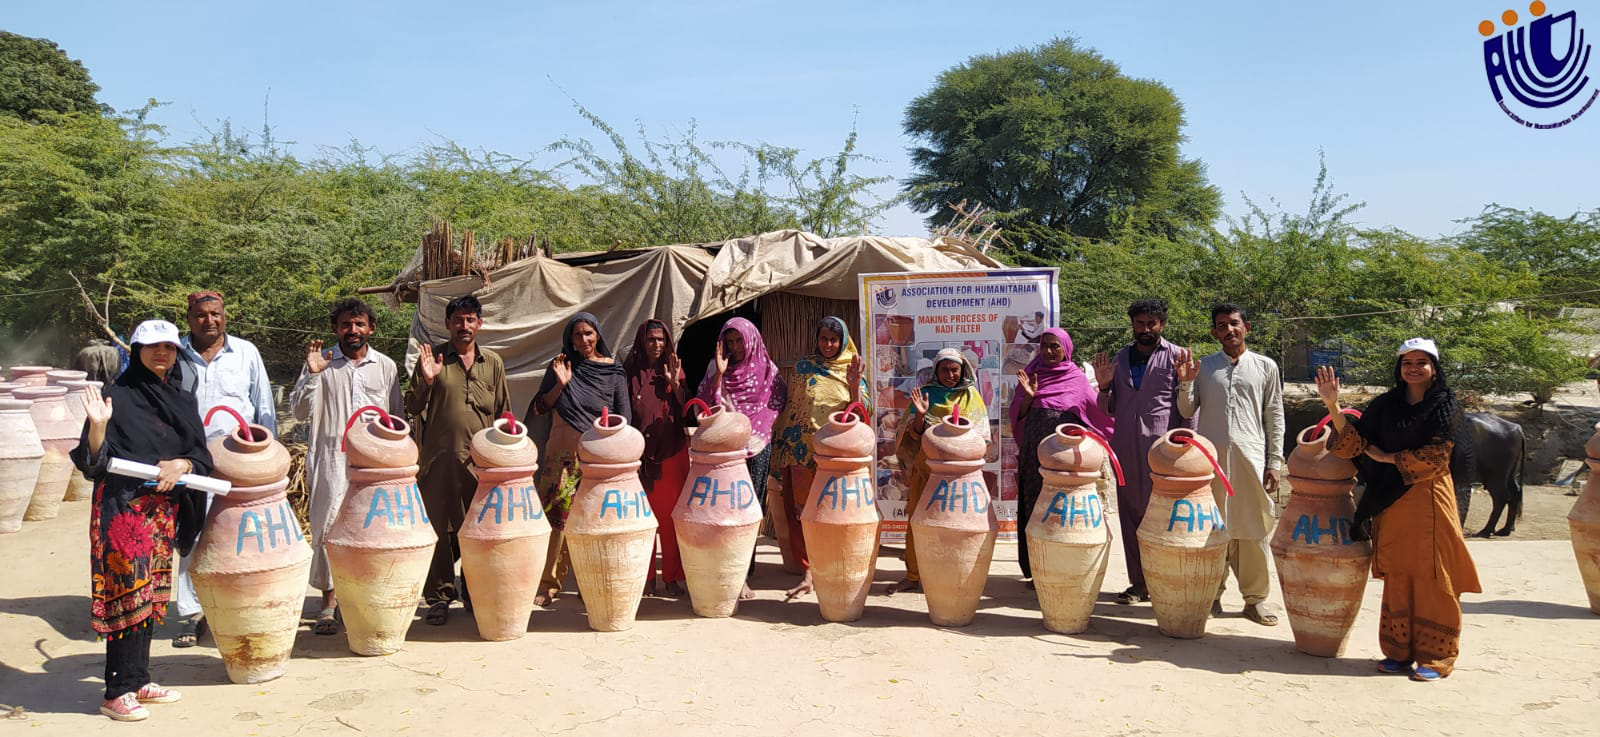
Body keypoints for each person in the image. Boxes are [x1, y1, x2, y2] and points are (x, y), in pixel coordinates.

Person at [70, 319, 213, 722]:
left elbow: (200, 455)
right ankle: (116, 691)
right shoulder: (118, 397)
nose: (162, 353)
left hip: (162, 513)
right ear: (136, 351)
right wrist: (98, 427)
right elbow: (93, 462)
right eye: (152, 347)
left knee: (151, 596)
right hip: (124, 510)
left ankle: (138, 679)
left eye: (168, 346)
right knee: (126, 594)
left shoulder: (180, 399)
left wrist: (181, 463)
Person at [1315, 338, 1482, 681]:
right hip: (1391, 499)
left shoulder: (1445, 405)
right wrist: (1333, 405)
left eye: (1422, 362)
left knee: (1433, 574)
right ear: (1400, 368)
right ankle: (1399, 651)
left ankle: (1437, 654)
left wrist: (1389, 458)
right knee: (1399, 571)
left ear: (1434, 367)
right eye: (1408, 362)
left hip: (1428, 497)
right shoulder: (1386, 405)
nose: (1414, 368)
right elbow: (1355, 443)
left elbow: (1437, 457)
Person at [289, 298, 404, 635]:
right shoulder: (320, 363)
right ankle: (328, 602)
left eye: (359, 324)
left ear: (371, 328)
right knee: (327, 525)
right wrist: (311, 375)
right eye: (345, 325)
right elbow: (298, 413)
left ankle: (365, 595)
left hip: (374, 461)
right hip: (331, 458)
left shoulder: (385, 366)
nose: (352, 331)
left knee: (372, 525)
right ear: (335, 329)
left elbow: (395, 415)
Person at [171, 290, 276, 648]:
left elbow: (263, 404)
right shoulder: (175, 354)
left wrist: (267, 452)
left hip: (238, 455)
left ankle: (239, 601)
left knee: (240, 531)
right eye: (201, 315)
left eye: (215, 314)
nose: (209, 321)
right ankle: (191, 613)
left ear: (225, 316)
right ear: (189, 318)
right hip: (190, 457)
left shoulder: (246, 352)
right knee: (192, 532)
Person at [1175, 304, 1285, 625]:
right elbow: (1186, 409)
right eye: (1221, 325)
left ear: (1246, 327)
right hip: (1211, 464)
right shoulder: (1204, 367)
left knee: (1253, 530)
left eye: (1234, 324)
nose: (1229, 330)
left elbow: (1274, 416)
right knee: (1212, 529)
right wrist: (1185, 383)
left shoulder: (1265, 367)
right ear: (1214, 332)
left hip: (1251, 461)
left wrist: (1275, 462)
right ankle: (1211, 595)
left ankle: (1255, 600)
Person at [405, 295, 512, 625]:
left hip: (478, 466)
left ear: (479, 324)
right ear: (448, 324)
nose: (463, 326)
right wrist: (426, 379)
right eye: (457, 320)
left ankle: (475, 593)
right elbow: (411, 406)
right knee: (438, 530)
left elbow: (503, 413)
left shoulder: (492, 362)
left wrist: (503, 460)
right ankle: (438, 597)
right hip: (438, 462)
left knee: (477, 531)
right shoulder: (434, 357)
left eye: (470, 320)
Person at [1091, 298, 1191, 605]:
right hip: (1125, 450)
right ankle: (1139, 583)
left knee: (1162, 515)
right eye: (1139, 324)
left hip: (1162, 451)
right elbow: (1107, 410)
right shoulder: (1120, 358)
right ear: (1132, 325)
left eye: (1151, 323)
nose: (1145, 329)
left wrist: (1188, 444)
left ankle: (1167, 581)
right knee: (1131, 514)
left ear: (1162, 324)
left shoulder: (1177, 357)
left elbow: (1188, 408)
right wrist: (1104, 386)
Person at [526, 312, 629, 606]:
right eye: (577, 335)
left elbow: (624, 416)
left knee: (595, 520)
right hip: (562, 454)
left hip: (598, 457)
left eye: (589, 333)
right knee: (556, 518)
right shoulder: (561, 366)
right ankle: (548, 583)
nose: (583, 340)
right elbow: (538, 408)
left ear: (598, 334)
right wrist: (560, 384)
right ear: (569, 339)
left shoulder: (613, 372)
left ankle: (591, 582)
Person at [770, 317, 867, 600]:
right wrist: (782, 452)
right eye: (823, 339)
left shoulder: (853, 369)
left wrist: (853, 386)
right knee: (803, 515)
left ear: (842, 341)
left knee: (835, 514)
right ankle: (809, 573)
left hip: (836, 459)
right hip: (801, 452)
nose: (827, 345)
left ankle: (834, 567)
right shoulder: (804, 368)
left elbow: (860, 415)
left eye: (833, 340)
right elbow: (793, 408)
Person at [1010, 328, 1114, 588]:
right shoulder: (1032, 375)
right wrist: (1028, 398)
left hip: (1064, 460)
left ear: (1066, 348)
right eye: (1044, 345)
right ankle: (1037, 568)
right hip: (1034, 457)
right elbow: (1018, 416)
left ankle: (1058, 566)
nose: (1048, 351)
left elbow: (1099, 414)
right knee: (1035, 508)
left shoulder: (1076, 379)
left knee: (1059, 510)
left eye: (1055, 346)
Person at [697, 317, 787, 600]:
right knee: (724, 511)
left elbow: (778, 403)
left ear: (751, 341)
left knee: (750, 512)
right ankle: (723, 569)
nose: (735, 347)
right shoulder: (716, 368)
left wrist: (758, 428)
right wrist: (720, 376)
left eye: (739, 341)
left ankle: (742, 574)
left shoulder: (767, 371)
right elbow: (706, 407)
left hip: (758, 448)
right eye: (730, 341)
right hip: (725, 451)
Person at [888, 349, 988, 595]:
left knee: (953, 527)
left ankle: (950, 575)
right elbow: (910, 437)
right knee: (918, 522)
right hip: (927, 471)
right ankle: (913, 575)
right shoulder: (924, 395)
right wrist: (920, 418)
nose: (951, 375)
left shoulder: (971, 397)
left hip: (958, 478)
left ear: (963, 370)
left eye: (955, 370)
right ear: (936, 371)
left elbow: (983, 437)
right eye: (945, 370)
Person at [624, 319, 689, 597]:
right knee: (642, 518)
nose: (657, 344)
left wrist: (675, 385)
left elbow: (689, 410)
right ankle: (646, 577)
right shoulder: (630, 373)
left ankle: (671, 577)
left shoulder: (674, 370)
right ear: (642, 341)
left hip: (671, 453)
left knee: (671, 519)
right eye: (651, 339)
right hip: (640, 458)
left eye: (661, 339)